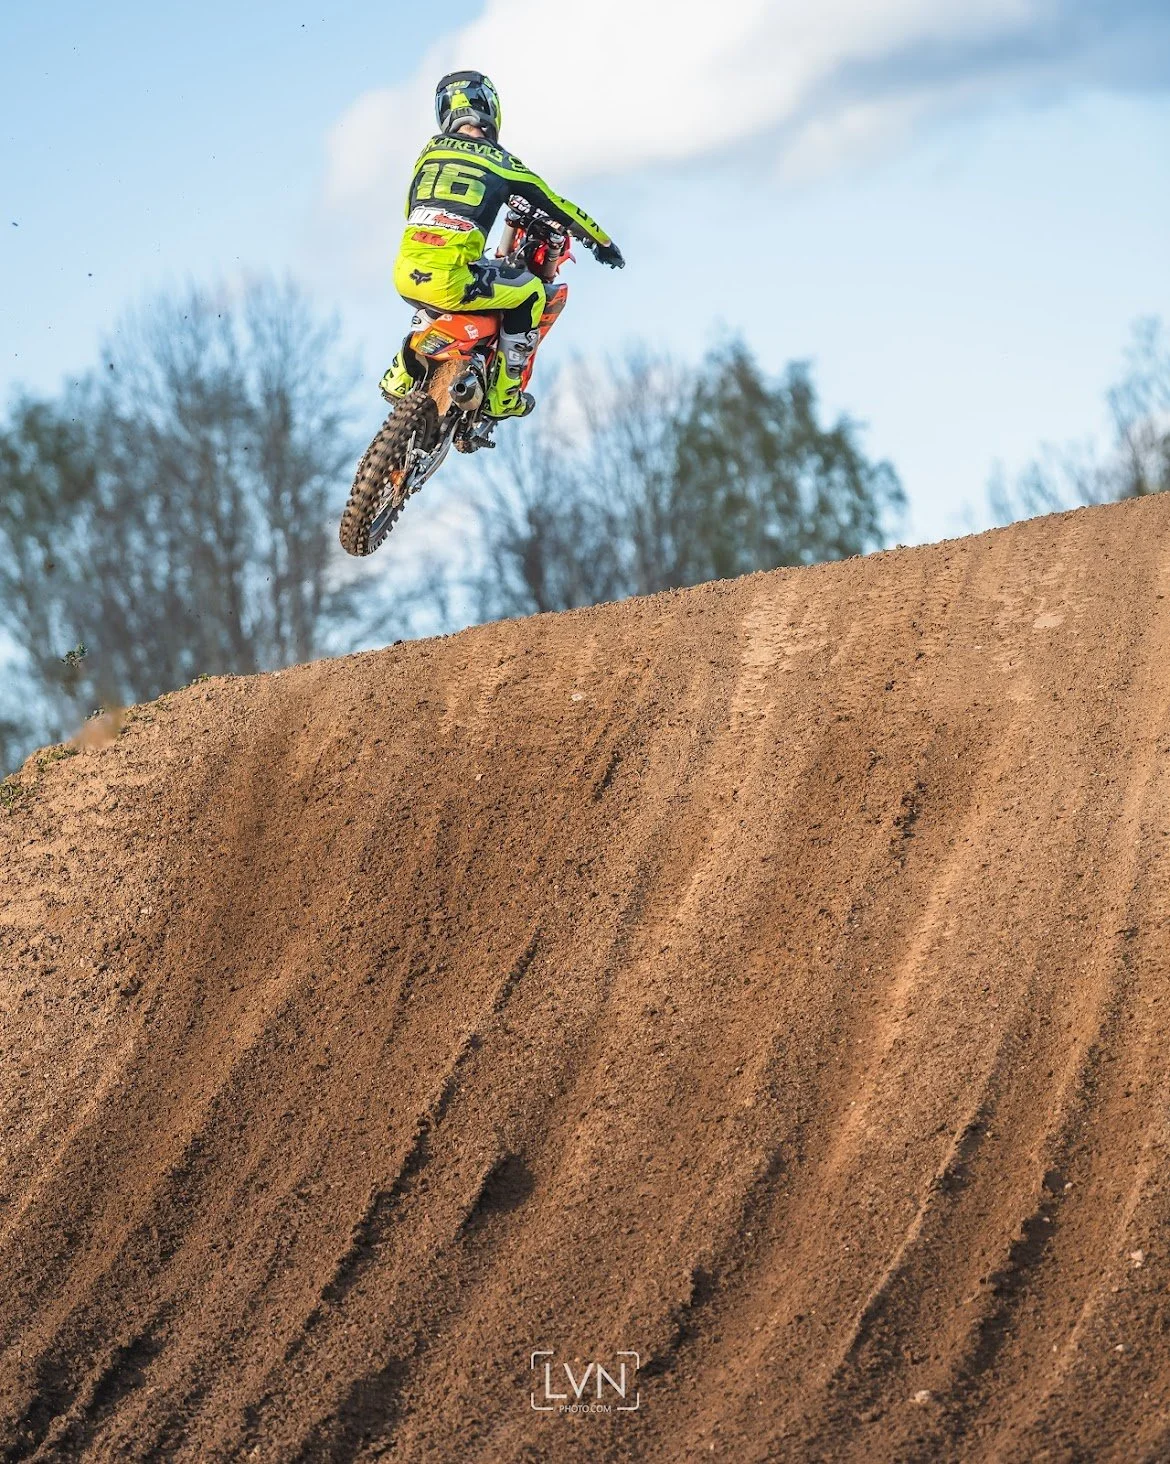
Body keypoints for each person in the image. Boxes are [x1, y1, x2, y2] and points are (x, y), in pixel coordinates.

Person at [380, 71, 624, 420]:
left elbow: (411, 210)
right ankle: (503, 396)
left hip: (404, 273)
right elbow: (560, 207)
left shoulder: (428, 152)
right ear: (491, 109)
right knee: (531, 294)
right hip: (452, 281)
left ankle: (399, 375)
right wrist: (603, 242)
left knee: (438, 283)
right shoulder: (501, 161)